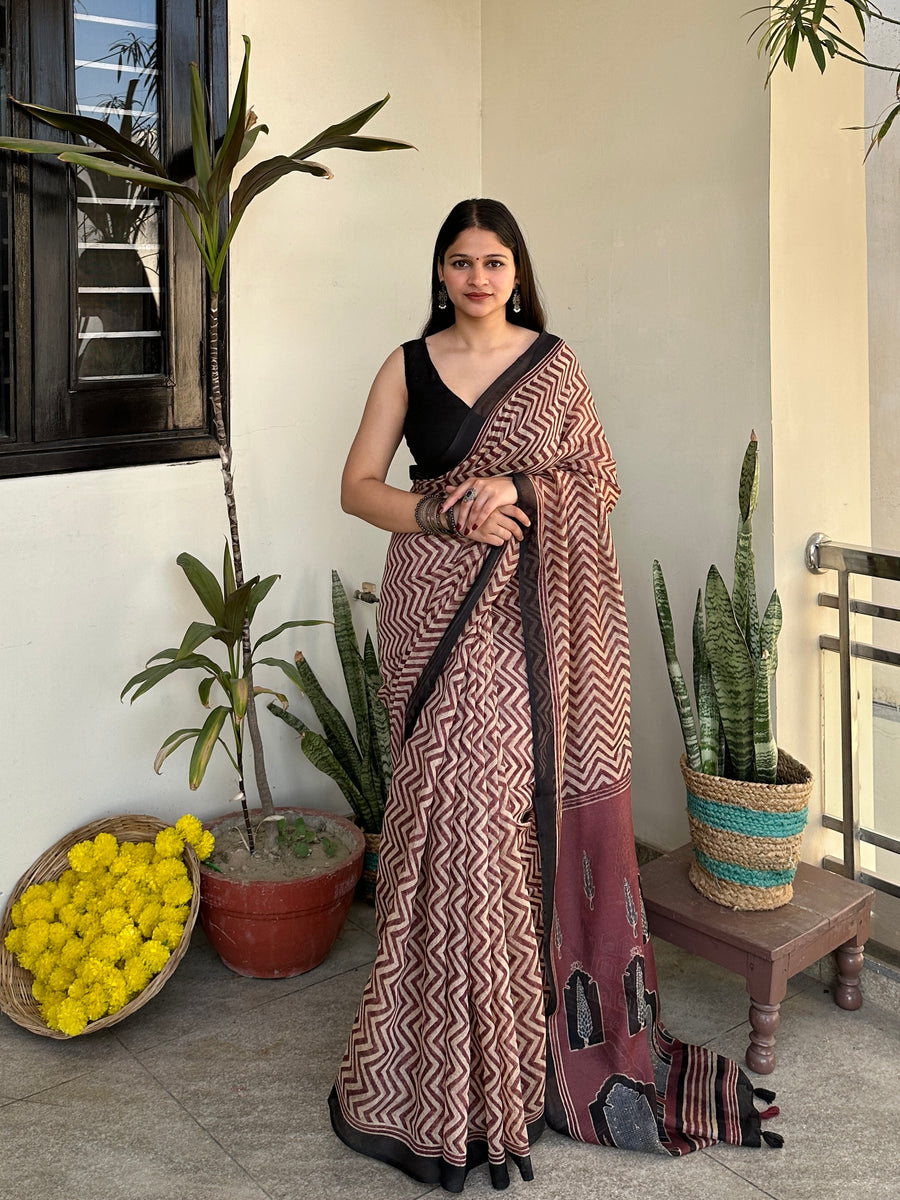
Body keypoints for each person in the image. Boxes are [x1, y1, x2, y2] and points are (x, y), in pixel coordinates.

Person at [330, 199, 779, 1192]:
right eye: (459, 262)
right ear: (440, 272)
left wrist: (527, 493)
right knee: (433, 813)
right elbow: (359, 486)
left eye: (494, 261)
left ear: (518, 273)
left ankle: (512, 1064)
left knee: (490, 814)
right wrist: (445, 512)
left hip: (527, 617)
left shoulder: (555, 365)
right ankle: (430, 1063)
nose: (477, 277)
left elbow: (598, 480)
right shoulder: (407, 364)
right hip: (433, 603)